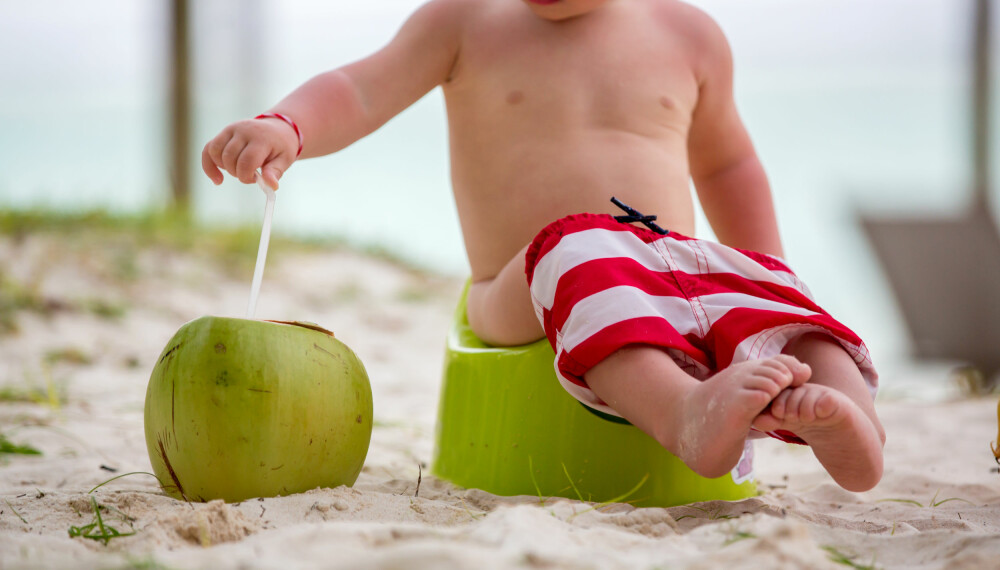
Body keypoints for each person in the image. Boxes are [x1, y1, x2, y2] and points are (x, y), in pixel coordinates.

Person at [202, 0, 886, 492]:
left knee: (785, 302)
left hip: (667, 268)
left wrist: (767, 275)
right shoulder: (463, 21)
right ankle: (682, 413)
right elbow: (358, 88)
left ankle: (851, 424)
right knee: (579, 250)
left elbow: (727, 165)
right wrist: (287, 125)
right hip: (523, 283)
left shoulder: (689, 32)